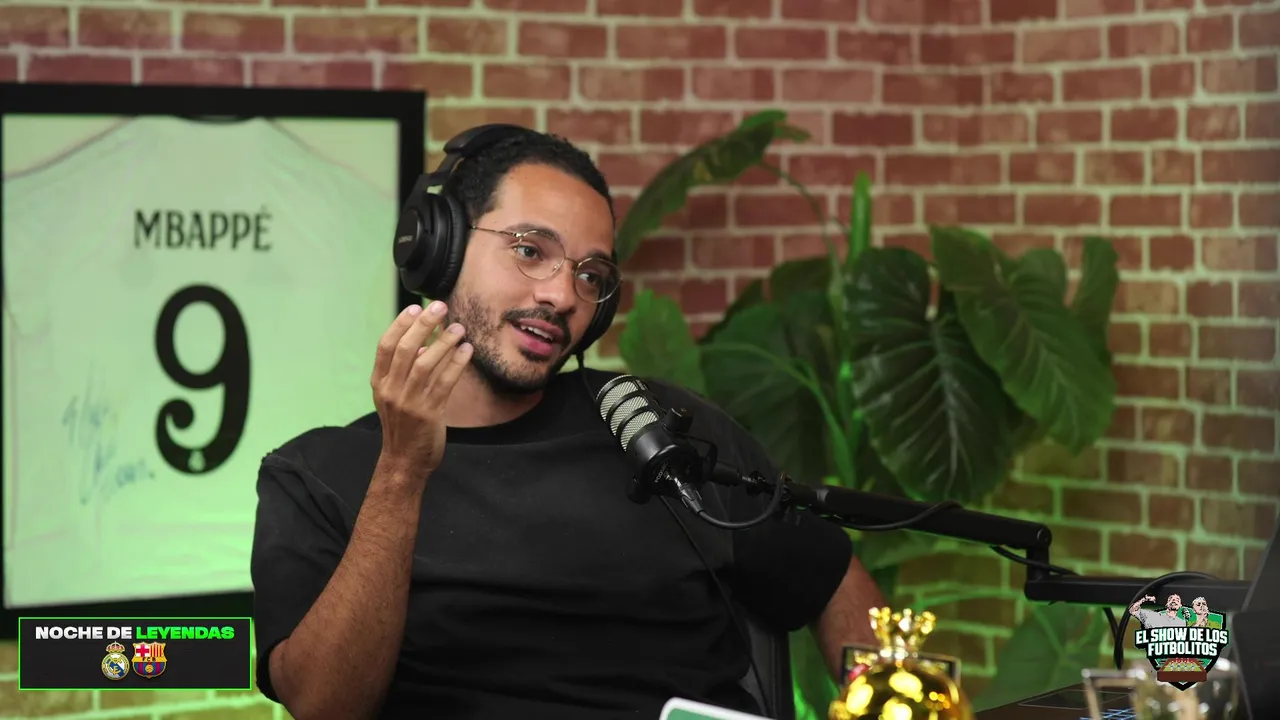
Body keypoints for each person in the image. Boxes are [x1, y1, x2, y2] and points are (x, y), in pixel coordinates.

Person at [249, 127, 884, 720]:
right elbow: (325, 705)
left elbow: (830, 579)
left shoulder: (654, 429)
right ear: (441, 247)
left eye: (590, 275)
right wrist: (402, 469)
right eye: (530, 251)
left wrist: (885, 701)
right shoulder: (316, 473)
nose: (561, 296)